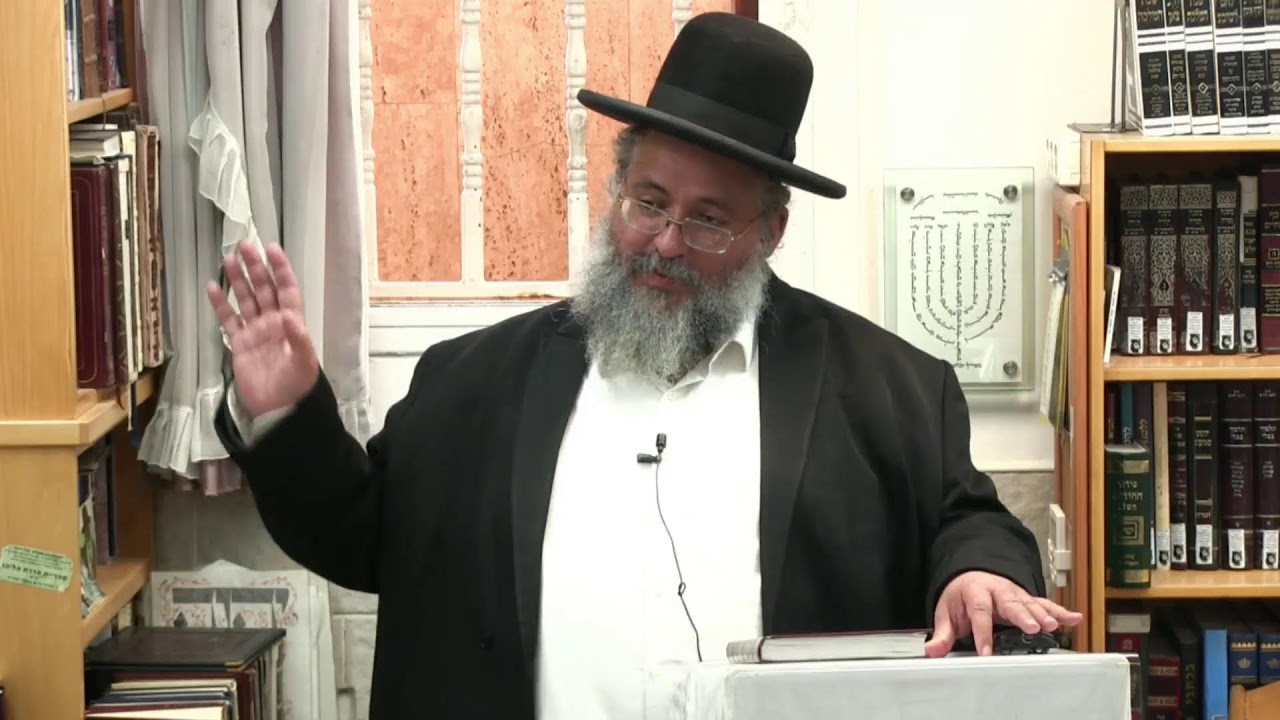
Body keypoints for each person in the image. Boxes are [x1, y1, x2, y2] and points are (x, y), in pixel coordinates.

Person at [209, 11, 1081, 720]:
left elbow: (972, 523)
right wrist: (286, 414)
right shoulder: (473, 380)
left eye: (708, 220)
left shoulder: (888, 387)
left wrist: (979, 572)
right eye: (649, 202)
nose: (664, 242)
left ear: (771, 231)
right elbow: (360, 536)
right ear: (617, 189)